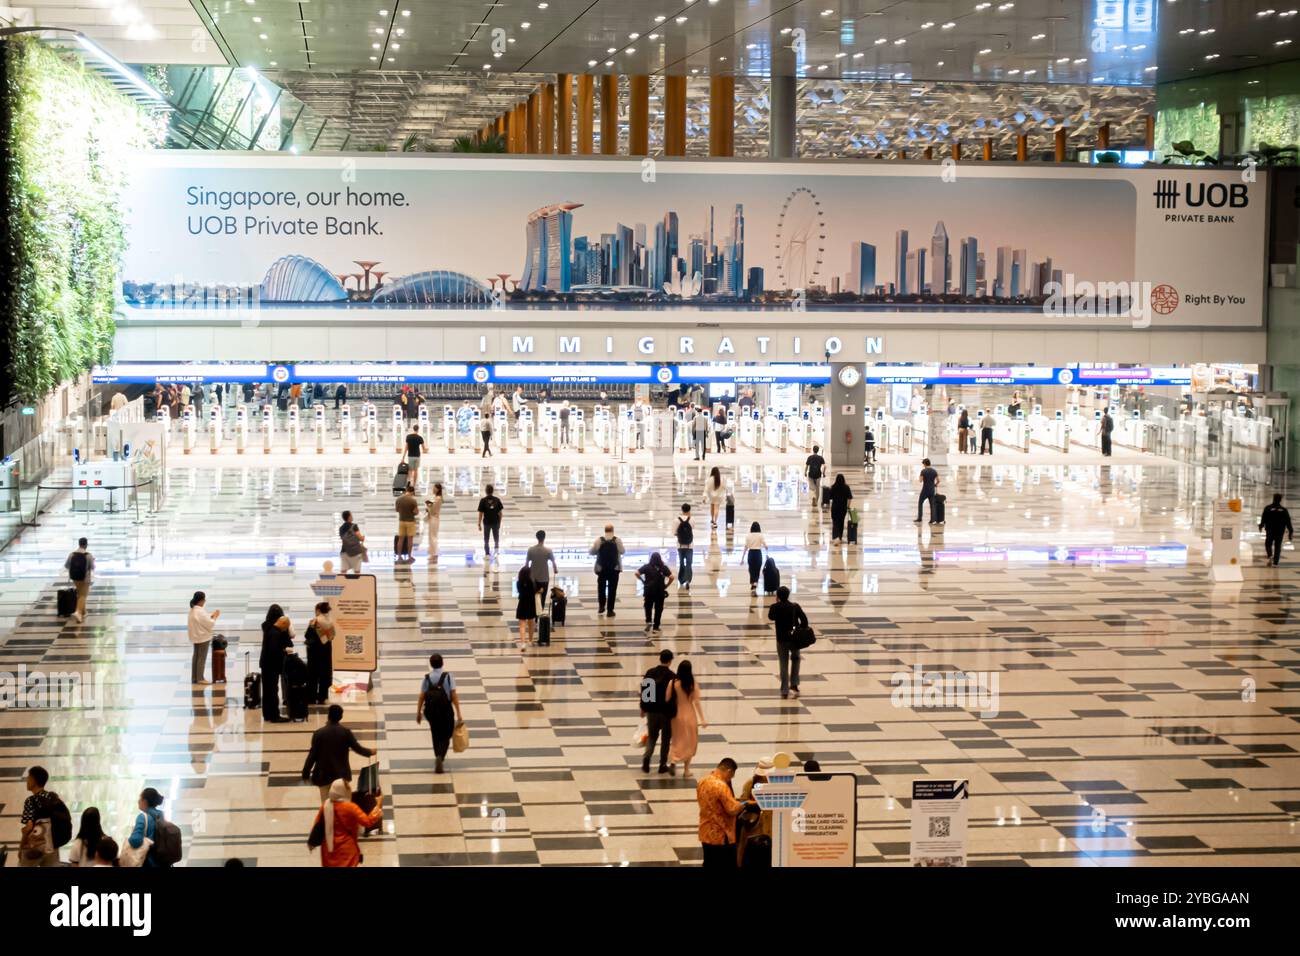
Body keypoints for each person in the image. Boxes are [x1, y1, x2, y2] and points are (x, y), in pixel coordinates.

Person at [301, 704, 376, 800]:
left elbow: (312, 755)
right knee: (343, 806)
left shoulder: (319, 733)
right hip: (341, 775)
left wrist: (305, 773)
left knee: (326, 805)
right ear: (341, 717)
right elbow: (358, 748)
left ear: (328, 716)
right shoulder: (345, 732)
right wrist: (370, 752)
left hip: (323, 776)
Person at [311, 779, 383, 868]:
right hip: (347, 850)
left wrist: (312, 843)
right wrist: (378, 805)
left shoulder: (325, 806)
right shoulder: (350, 807)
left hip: (328, 849)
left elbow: (317, 824)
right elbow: (367, 821)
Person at [697, 758, 753, 868]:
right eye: (731, 776)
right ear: (729, 771)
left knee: (709, 862)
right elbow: (732, 809)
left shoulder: (702, 781)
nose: (730, 779)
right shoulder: (721, 786)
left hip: (705, 831)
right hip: (721, 835)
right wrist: (746, 803)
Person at [416, 653, 464, 774]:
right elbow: (453, 695)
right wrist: (458, 712)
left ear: (431, 664)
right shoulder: (448, 677)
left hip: (431, 711)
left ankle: (437, 754)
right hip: (445, 709)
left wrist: (418, 712)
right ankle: (440, 756)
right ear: (442, 663)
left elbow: (422, 696)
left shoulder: (427, 678)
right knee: (447, 733)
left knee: (435, 732)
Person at [666, 660, 706, 777]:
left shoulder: (673, 682)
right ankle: (686, 770)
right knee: (690, 742)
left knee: (677, 740)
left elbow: (667, 698)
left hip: (676, 717)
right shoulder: (693, 683)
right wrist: (702, 719)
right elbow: (697, 702)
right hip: (690, 716)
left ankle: (673, 760)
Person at [19, 766, 64, 867]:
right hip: (52, 844)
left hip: (35, 845)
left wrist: (21, 847)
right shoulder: (52, 797)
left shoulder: (30, 800)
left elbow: (29, 828)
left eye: (29, 777)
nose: (27, 780)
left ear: (34, 780)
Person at [768, 586, 808, 699]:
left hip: (781, 639)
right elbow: (804, 620)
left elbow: (770, 617)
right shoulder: (795, 606)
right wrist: (800, 629)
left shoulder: (775, 607)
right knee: (796, 659)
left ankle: (784, 689)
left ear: (778, 596)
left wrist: (776, 603)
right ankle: (794, 684)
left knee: (783, 663)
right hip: (794, 639)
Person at [640, 649, 676, 773]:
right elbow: (673, 697)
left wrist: (643, 708)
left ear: (660, 658)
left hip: (652, 712)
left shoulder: (650, 673)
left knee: (652, 737)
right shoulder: (672, 676)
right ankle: (662, 765)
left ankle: (646, 759)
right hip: (666, 713)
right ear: (670, 661)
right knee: (666, 739)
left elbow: (645, 693)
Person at [259, 605, 294, 723]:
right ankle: (274, 715)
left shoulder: (267, 627)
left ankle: (267, 714)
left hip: (265, 663)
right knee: (273, 690)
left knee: (267, 690)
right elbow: (275, 649)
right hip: (272, 665)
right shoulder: (276, 632)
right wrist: (283, 651)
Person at [125, 788, 167, 868]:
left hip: (147, 861)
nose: (138, 801)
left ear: (145, 801)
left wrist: (131, 836)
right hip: (161, 861)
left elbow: (135, 841)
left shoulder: (143, 817)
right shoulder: (161, 816)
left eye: (140, 798)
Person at [589, 523, 625, 616]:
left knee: (601, 588)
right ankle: (610, 610)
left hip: (602, 568)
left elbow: (592, 552)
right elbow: (622, 551)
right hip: (614, 569)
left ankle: (601, 606)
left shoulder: (599, 540)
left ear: (604, 530)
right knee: (612, 590)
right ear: (613, 530)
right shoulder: (617, 540)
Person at [304, 601, 335, 704]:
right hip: (325, 650)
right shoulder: (330, 621)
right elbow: (332, 636)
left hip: (314, 651)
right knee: (324, 673)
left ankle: (311, 697)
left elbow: (307, 635)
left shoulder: (314, 621)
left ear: (318, 610)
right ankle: (322, 696)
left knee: (313, 674)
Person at [636, 552, 674, 633]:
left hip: (649, 591)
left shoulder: (646, 567)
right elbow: (671, 577)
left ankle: (648, 621)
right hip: (660, 591)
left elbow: (637, 573)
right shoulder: (663, 568)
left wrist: (643, 581)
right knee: (659, 608)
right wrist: (666, 585)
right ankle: (656, 626)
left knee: (648, 606)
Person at [188, 591, 220, 685]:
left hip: (196, 636)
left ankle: (194, 677)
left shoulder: (193, 609)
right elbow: (210, 624)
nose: (204, 602)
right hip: (202, 637)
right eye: (204, 600)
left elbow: (202, 620)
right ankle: (200, 678)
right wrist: (215, 617)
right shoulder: (200, 611)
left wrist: (211, 615)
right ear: (201, 600)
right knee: (202, 658)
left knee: (196, 657)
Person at [64, 536, 94, 623]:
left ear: (79, 544)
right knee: (83, 595)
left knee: (80, 594)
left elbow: (66, 566)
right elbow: (92, 567)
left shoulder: (72, 554)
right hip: (85, 579)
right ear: (86, 545)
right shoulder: (88, 555)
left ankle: (84, 612)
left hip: (75, 578)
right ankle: (78, 612)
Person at [525, 530, 558, 609]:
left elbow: (526, 564)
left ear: (537, 538)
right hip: (544, 579)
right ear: (544, 538)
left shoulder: (531, 550)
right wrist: (555, 570)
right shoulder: (548, 550)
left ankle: (534, 614)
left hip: (533, 579)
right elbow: (554, 563)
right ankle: (540, 614)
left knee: (534, 597)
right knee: (542, 598)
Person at [1260, 493, 1294, 566]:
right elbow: (1288, 521)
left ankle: (1270, 555)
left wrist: (1261, 526)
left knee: (1268, 543)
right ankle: (1275, 563)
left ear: (1273, 498)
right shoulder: (1284, 510)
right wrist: (1290, 531)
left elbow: (1263, 518)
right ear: (1280, 500)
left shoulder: (1268, 508)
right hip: (1280, 531)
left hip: (1270, 530)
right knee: (1277, 545)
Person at [395, 483, 419, 562]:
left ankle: (399, 557)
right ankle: (409, 556)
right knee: (410, 540)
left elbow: (397, 510)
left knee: (400, 539)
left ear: (406, 491)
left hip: (401, 521)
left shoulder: (398, 499)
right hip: (410, 522)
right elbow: (416, 512)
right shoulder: (413, 500)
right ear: (412, 492)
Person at [477, 484, 504, 558]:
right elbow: (501, 514)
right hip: (495, 522)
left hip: (487, 523)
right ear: (492, 491)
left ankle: (487, 553)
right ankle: (496, 551)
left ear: (486, 491)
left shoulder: (483, 501)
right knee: (496, 538)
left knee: (486, 539)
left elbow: (481, 514)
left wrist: (479, 524)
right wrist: (499, 523)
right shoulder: (497, 500)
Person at [515, 565, 539, 645]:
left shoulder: (518, 583)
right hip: (531, 604)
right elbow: (534, 591)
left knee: (522, 624)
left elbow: (520, 592)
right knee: (531, 623)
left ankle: (523, 643)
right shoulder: (531, 582)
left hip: (522, 603)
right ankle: (530, 640)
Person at [827, 474, 853, 543]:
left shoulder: (833, 487)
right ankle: (840, 537)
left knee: (835, 523)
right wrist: (848, 506)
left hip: (835, 508)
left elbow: (829, 497)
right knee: (841, 522)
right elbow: (850, 498)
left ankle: (835, 537)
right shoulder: (846, 487)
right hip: (843, 508)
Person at [743, 521, 767, 592]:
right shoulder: (760, 535)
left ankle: (752, 582)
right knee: (757, 569)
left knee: (751, 569)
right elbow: (766, 545)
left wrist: (742, 558)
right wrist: (766, 547)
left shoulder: (748, 535)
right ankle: (755, 582)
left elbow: (746, 547)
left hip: (751, 553)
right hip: (758, 554)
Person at [915, 457, 940, 524]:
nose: (923, 465)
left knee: (920, 503)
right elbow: (938, 481)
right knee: (932, 505)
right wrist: (935, 485)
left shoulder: (923, 471)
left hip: (925, 490)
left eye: (923, 464)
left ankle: (919, 518)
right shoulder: (934, 471)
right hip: (932, 490)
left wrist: (920, 476)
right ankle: (932, 520)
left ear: (925, 464)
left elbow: (920, 481)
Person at [675, 504, 694, 590]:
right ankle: (688, 581)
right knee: (689, 563)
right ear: (689, 510)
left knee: (681, 563)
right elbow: (692, 528)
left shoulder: (676, 520)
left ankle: (681, 580)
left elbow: (674, 533)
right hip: (690, 545)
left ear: (682, 510)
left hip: (680, 545)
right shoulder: (692, 519)